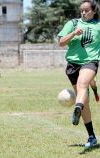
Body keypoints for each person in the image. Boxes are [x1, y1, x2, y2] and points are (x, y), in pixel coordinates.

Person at [58, 0, 100, 148]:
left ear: (94, 11)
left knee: (83, 85)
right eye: (81, 10)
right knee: (85, 101)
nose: (83, 13)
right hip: (72, 65)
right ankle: (92, 136)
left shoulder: (98, 26)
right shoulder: (73, 24)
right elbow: (61, 42)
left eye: (87, 10)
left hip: (90, 62)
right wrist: (73, 33)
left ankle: (77, 107)